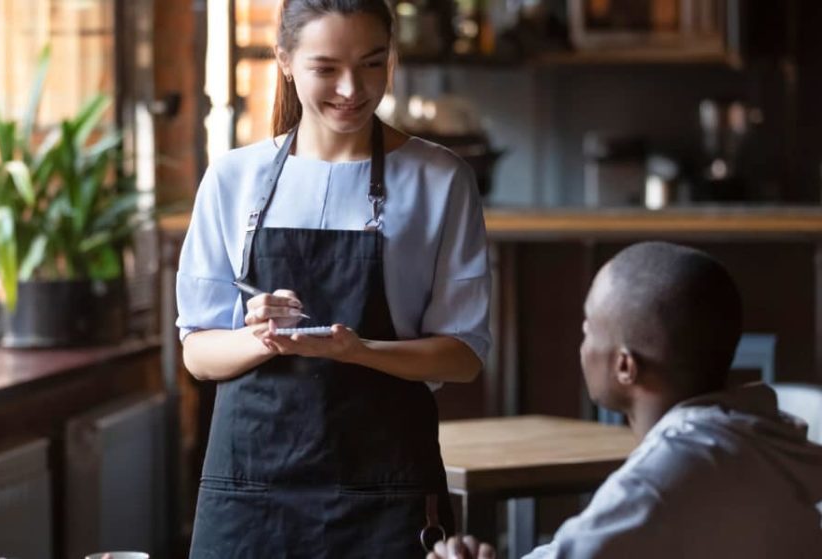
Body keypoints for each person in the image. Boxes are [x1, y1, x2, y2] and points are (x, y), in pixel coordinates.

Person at [176, 0, 491, 555]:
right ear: (286, 62)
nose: (352, 88)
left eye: (372, 64)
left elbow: (462, 355)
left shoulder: (440, 179)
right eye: (327, 68)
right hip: (251, 493)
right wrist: (260, 337)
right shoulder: (232, 178)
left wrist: (360, 349)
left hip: (385, 491)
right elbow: (198, 353)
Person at [428, 241, 822, 559]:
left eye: (588, 329)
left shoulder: (666, 476)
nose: (581, 347)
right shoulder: (759, 444)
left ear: (625, 366)